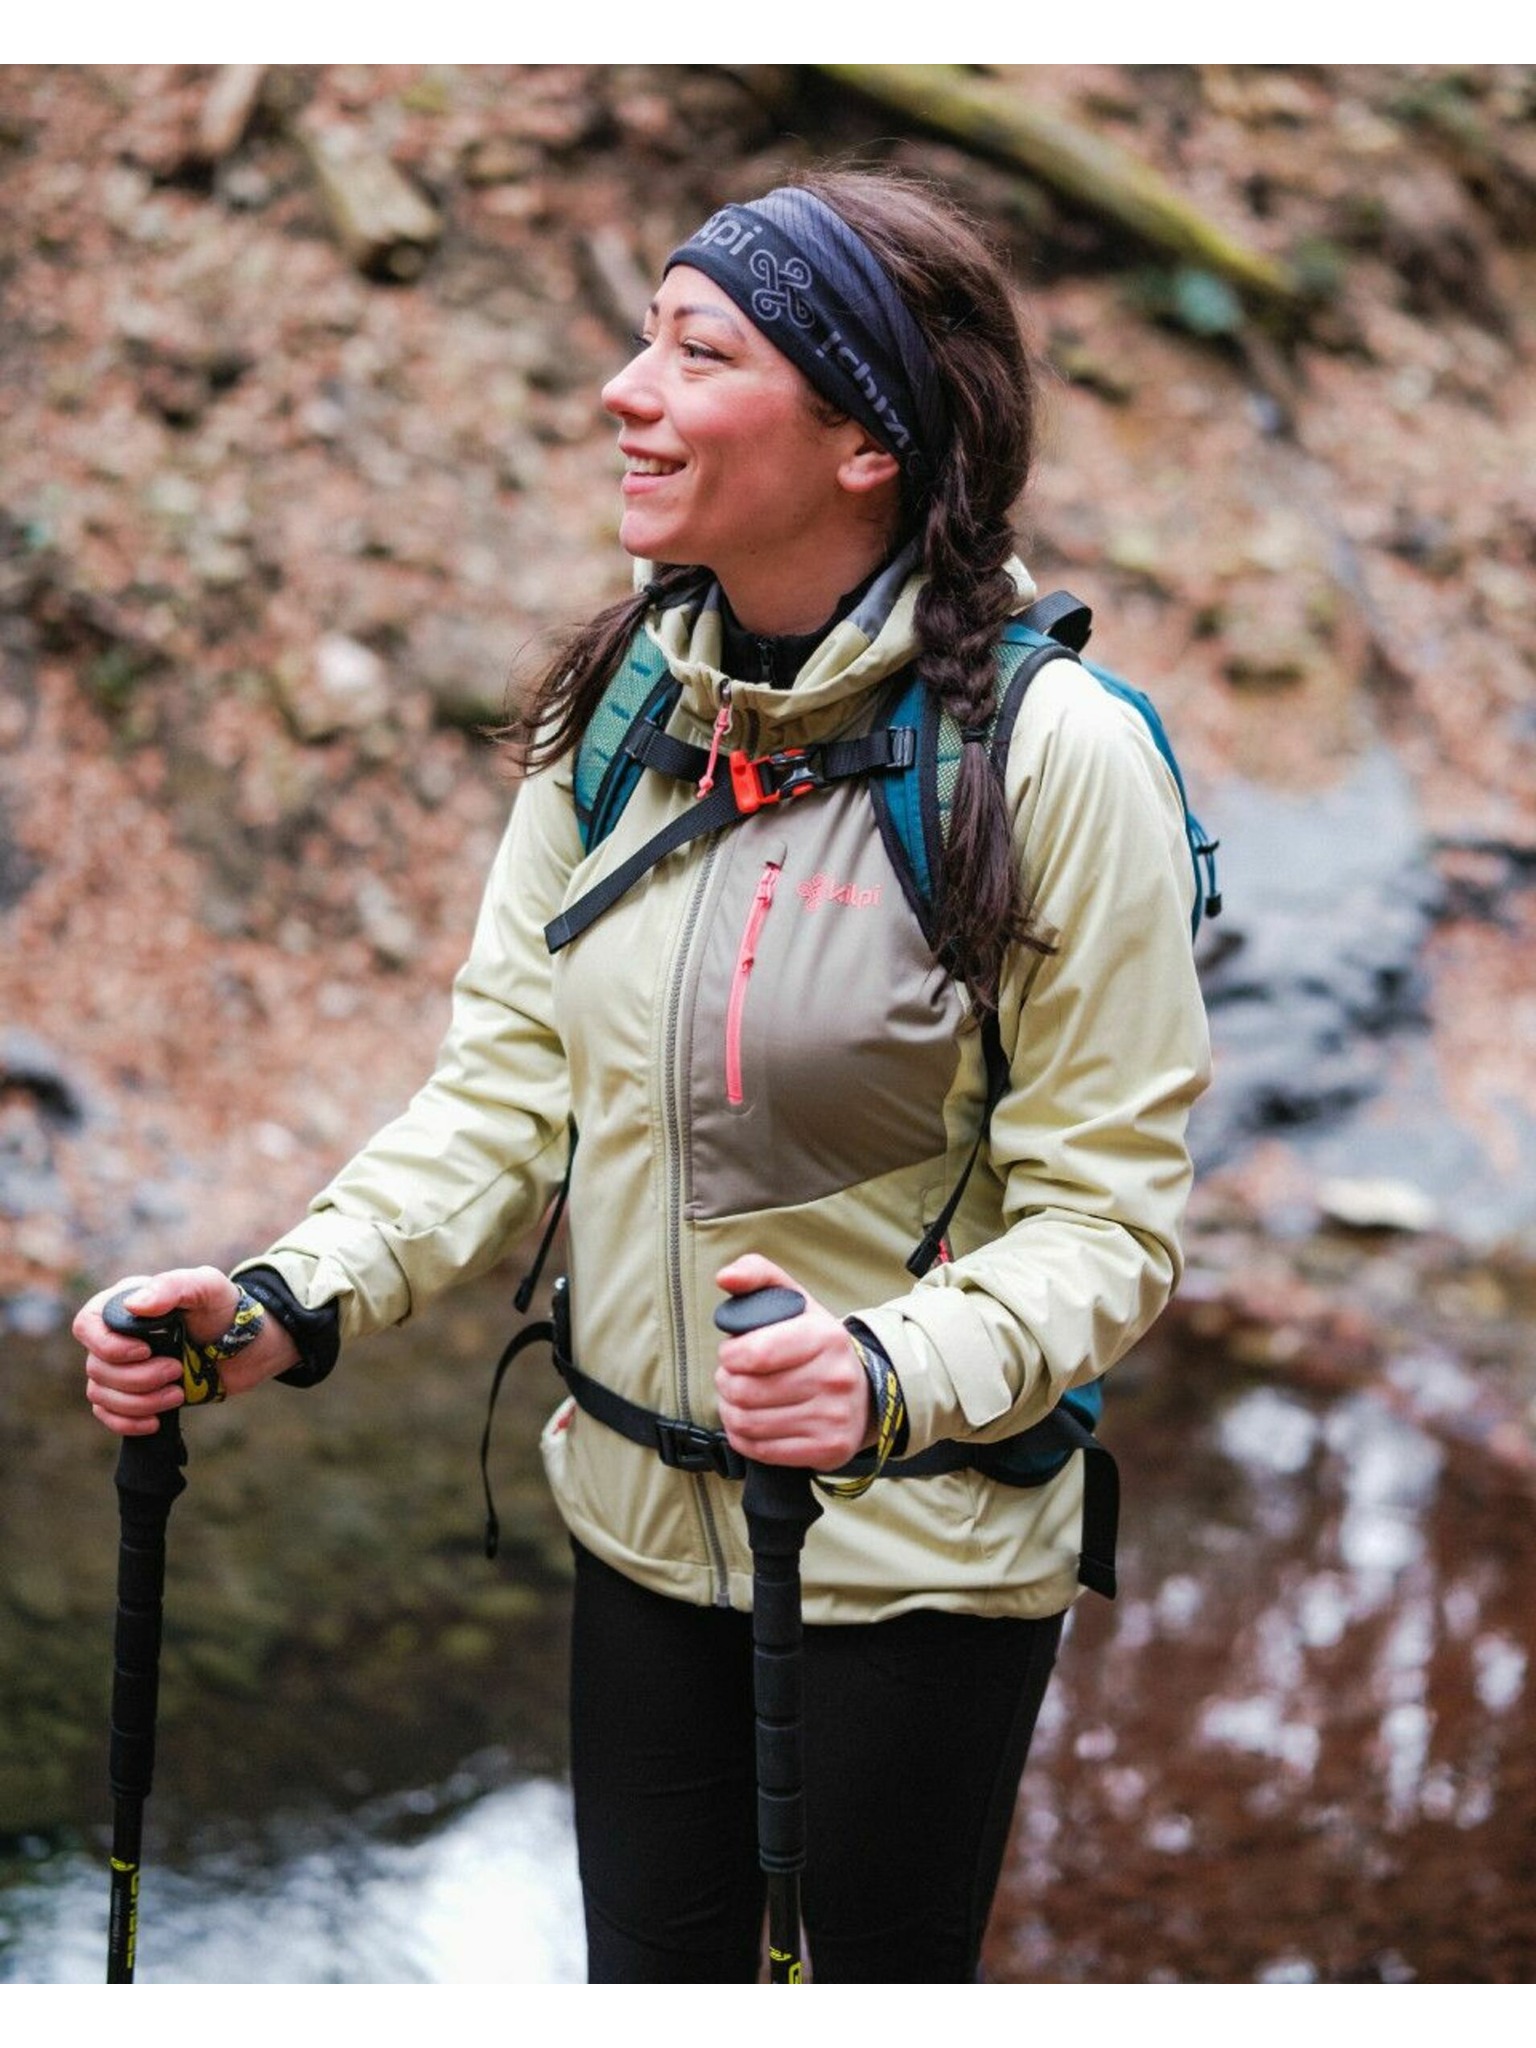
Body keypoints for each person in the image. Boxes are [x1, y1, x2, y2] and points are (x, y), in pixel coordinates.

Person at [74, 167, 1212, 1983]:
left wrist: (882, 1374)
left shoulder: (1048, 760)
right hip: (636, 1535)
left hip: (909, 1561)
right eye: (643, 341)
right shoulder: (625, 708)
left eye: (698, 352)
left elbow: (1109, 1221)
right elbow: (507, 1090)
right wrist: (292, 1296)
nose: (625, 390)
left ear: (866, 443)